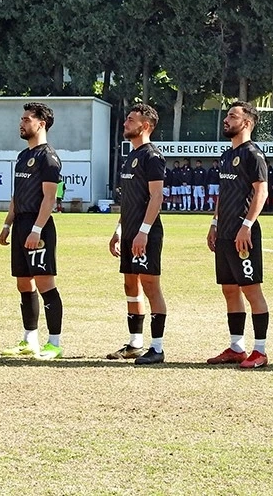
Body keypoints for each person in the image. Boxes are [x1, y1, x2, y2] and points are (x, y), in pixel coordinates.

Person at [206, 101, 270, 369]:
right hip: (225, 232)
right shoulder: (226, 155)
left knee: (251, 290)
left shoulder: (253, 154)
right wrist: (215, 222)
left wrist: (246, 225)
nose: (226, 119)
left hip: (244, 233)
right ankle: (236, 348)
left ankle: (260, 351)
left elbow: (261, 191)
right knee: (229, 289)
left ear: (246, 123)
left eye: (232, 116)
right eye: (227, 115)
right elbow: (224, 193)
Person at [0, 102, 66, 360]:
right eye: (22, 119)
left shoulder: (48, 157)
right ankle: (29, 340)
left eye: (27, 119)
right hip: (20, 225)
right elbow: (16, 195)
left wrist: (37, 230)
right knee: (23, 284)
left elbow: (49, 198)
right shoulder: (22, 156)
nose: (22, 123)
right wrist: (7, 224)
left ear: (41, 124)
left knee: (45, 283)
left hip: (39, 227)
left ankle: (54, 343)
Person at [107, 104, 168, 365]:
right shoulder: (131, 156)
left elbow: (157, 197)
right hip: (130, 232)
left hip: (146, 233)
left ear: (145, 126)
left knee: (151, 286)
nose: (125, 123)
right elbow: (129, 201)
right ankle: (135, 344)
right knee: (130, 285)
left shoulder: (152, 156)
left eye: (131, 120)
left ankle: (157, 348)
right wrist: (119, 230)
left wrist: (143, 232)